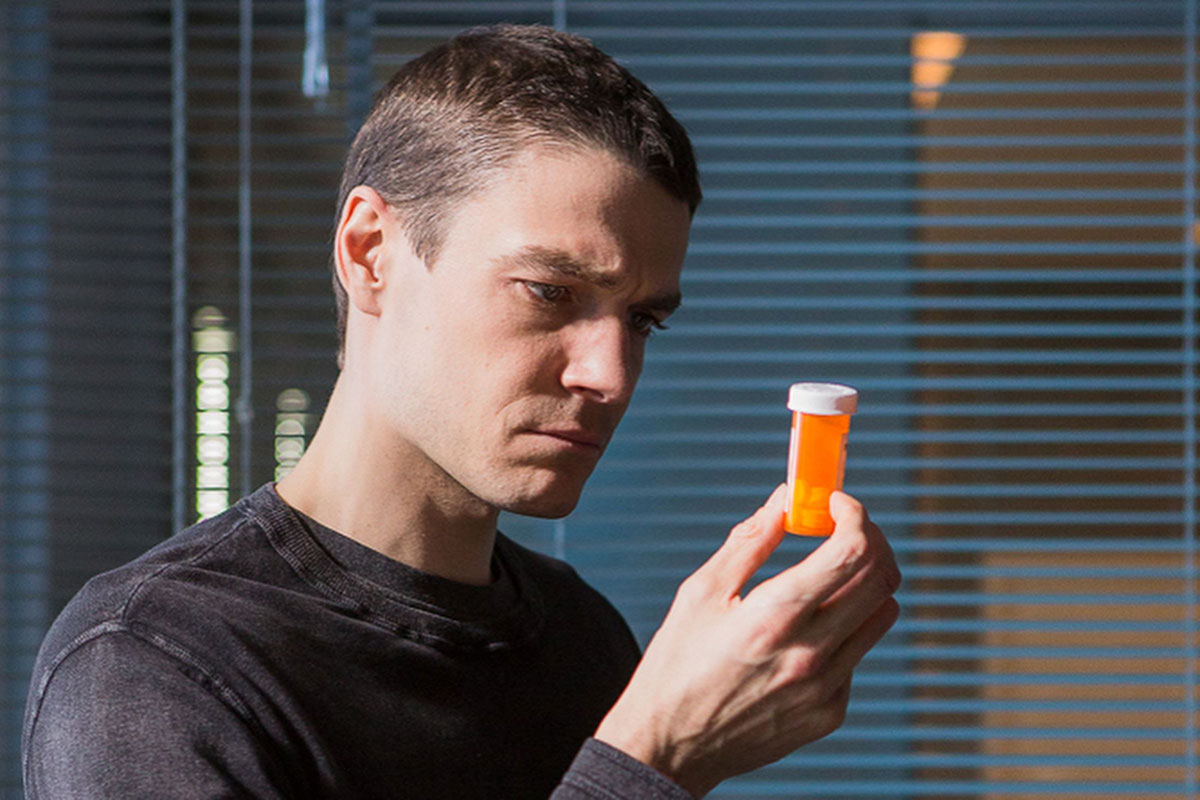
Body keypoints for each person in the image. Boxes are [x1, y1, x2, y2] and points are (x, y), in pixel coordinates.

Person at [22, 23, 900, 799]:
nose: (610, 375)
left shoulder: (583, 636)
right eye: (550, 291)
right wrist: (655, 758)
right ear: (370, 253)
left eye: (642, 321)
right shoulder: (151, 663)